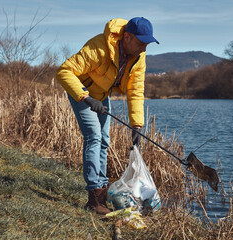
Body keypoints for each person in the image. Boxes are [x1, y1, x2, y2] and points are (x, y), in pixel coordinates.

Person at [56, 17, 159, 215]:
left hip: (101, 95)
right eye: (140, 43)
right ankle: (94, 198)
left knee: (104, 140)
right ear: (126, 37)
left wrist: (137, 124)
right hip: (82, 92)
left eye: (146, 44)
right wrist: (85, 98)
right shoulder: (99, 47)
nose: (143, 48)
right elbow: (64, 71)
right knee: (94, 136)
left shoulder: (139, 56)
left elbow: (136, 90)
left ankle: (102, 194)